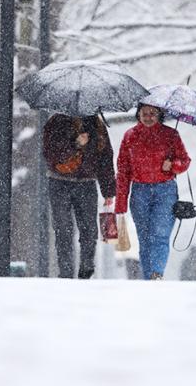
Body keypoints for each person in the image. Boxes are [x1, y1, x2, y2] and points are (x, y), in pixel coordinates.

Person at [115, 104, 191, 280]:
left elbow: (185, 161)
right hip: (139, 192)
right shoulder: (130, 137)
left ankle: (157, 273)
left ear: (159, 115)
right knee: (144, 237)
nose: (148, 117)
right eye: (144, 113)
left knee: (160, 234)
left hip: (165, 191)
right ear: (138, 114)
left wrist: (173, 165)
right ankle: (148, 277)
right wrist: (121, 204)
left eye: (152, 113)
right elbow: (123, 171)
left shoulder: (171, 135)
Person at [43, 113, 115, 279]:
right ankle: (66, 272)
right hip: (59, 181)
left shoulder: (97, 125)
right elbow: (50, 154)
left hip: (87, 182)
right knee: (63, 229)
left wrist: (108, 190)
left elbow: (105, 157)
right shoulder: (56, 122)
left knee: (89, 229)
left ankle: (86, 267)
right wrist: (75, 144)